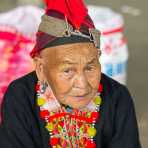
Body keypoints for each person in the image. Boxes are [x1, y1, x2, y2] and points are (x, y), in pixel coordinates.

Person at [0, 0, 141, 148]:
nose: (82, 84)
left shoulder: (117, 96)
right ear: (41, 68)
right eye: (68, 70)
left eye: (89, 68)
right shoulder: (20, 96)